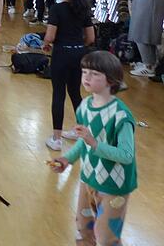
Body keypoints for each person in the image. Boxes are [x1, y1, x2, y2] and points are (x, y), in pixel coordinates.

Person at [50, 51, 136, 245]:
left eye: (95, 74)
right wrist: (67, 159)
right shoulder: (85, 107)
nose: (87, 77)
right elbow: (83, 142)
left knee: (106, 236)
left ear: (111, 81)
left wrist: (94, 143)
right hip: (89, 179)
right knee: (83, 228)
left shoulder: (121, 116)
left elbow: (126, 155)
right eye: (84, 71)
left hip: (114, 187)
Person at [43, 0, 95, 151]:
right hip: (78, 55)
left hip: (61, 54)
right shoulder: (84, 8)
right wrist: (78, 45)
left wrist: (46, 44)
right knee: (75, 93)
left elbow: (50, 36)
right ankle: (81, 131)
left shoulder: (57, 9)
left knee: (59, 94)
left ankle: (56, 139)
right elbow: (90, 37)